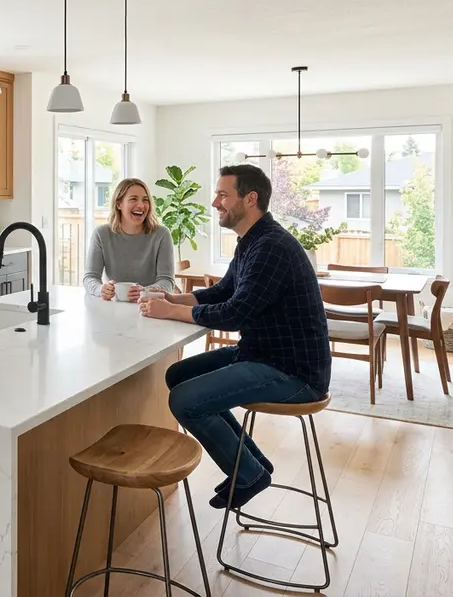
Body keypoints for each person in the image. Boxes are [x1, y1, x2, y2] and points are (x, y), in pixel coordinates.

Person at [138, 164, 331, 509]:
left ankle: (248, 473)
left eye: (223, 194)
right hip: (263, 354)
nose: (215, 202)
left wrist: (173, 312)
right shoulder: (252, 241)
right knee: (177, 375)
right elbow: (224, 291)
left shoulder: (271, 247)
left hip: (294, 373)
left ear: (250, 199)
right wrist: (172, 299)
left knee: (184, 401)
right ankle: (252, 464)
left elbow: (236, 311)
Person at [82, 178, 177, 302]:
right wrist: (101, 289)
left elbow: (167, 281)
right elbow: (90, 277)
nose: (141, 205)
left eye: (145, 200)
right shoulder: (101, 234)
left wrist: (145, 292)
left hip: (151, 307)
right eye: (133, 199)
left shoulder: (162, 235)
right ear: (119, 204)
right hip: (114, 308)